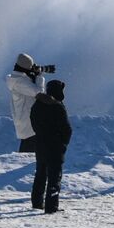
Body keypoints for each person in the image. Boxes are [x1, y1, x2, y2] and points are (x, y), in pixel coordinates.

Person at [30, 79, 72, 214]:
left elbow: (34, 124)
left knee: (40, 174)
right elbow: (67, 129)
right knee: (54, 177)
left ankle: (37, 203)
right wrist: (63, 143)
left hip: (40, 144)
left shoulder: (37, 104)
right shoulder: (58, 106)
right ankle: (51, 206)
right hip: (55, 147)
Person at [6, 53, 46, 153]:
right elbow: (39, 93)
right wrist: (40, 77)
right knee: (28, 152)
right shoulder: (19, 82)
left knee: (28, 147)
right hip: (28, 122)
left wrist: (33, 76)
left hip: (27, 121)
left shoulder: (18, 79)